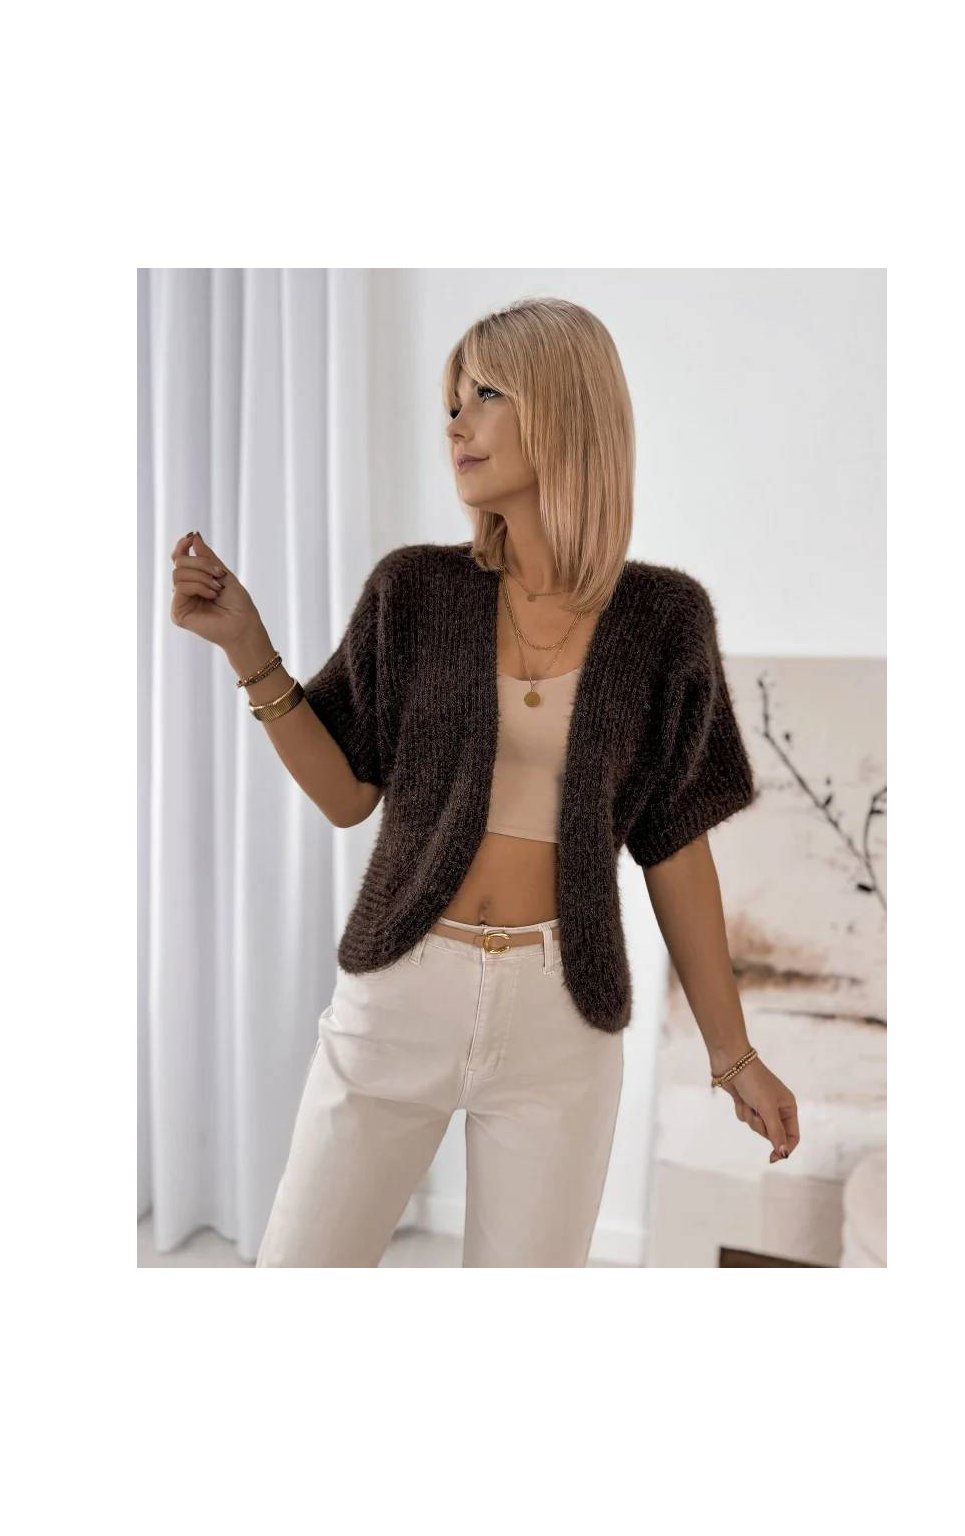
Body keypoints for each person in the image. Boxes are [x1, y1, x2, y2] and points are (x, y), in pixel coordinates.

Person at [169, 296, 800, 1267]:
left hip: (562, 1014)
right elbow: (346, 796)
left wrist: (733, 1054)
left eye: (486, 395)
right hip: (401, 990)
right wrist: (250, 650)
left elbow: (675, 844)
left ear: (565, 406)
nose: (456, 424)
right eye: (451, 402)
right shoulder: (414, 591)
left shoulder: (664, 619)